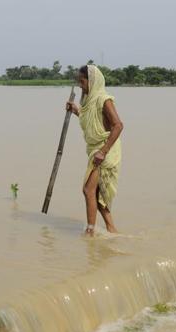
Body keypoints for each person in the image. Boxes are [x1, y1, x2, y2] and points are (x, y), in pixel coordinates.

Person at [66, 65, 123, 234]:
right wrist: (76, 110)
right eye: (79, 82)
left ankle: (90, 231)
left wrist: (103, 151)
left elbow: (118, 126)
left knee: (88, 190)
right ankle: (112, 229)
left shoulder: (104, 99)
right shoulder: (89, 101)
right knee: (96, 194)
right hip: (95, 150)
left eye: (83, 82)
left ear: (92, 81)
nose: (81, 85)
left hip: (107, 149)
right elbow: (90, 121)